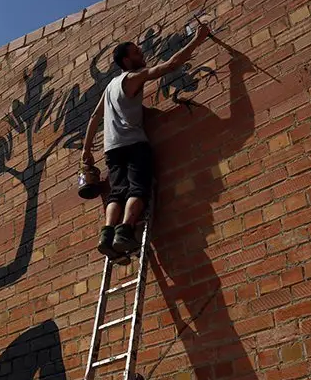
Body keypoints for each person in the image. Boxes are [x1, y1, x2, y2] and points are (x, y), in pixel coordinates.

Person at [81, 17, 213, 260]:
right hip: (133, 144)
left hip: (112, 149)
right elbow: (170, 65)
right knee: (138, 189)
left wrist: (86, 151)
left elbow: (93, 117)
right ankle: (125, 231)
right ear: (126, 60)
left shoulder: (110, 86)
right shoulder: (134, 77)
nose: (141, 54)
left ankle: (107, 234)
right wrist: (198, 39)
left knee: (116, 193)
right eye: (136, 52)